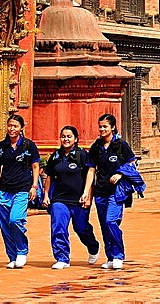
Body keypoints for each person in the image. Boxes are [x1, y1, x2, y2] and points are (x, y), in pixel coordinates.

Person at [85, 113, 137, 270]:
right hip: (101, 191)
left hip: (117, 191)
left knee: (111, 221)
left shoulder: (121, 145)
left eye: (105, 126)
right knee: (104, 225)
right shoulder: (96, 147)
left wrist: (120, 174)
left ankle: (118, 255)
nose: (102, 129)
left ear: (112, 127)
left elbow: (132, 163)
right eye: (100, 126)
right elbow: (91, 170)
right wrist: (87, 191)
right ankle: (110, 256)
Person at [43, 125, 100, 269]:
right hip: (59, 199)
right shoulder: (55, 156)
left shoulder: (82, 155)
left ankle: (93, 247)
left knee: (81, 228)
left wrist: (88, 195)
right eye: (63, 136)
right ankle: (62, 257)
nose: (66, 139)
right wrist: (46, 195)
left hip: (79, 199)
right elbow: (49, 176)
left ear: (75, 139)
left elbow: (91, 176)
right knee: (58, 227)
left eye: (69, 136)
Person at [0, 114, 41, 268]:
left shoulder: (28, 146)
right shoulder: (0, 147)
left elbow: (35, 166)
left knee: (15, 220)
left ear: (21, 128)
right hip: (4, 191)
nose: (12, 129)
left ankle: (22, 250)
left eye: (15, 126)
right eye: (10, 125)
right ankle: (12, 256)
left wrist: (34, 186)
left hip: (22, 189)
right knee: (5, 226)